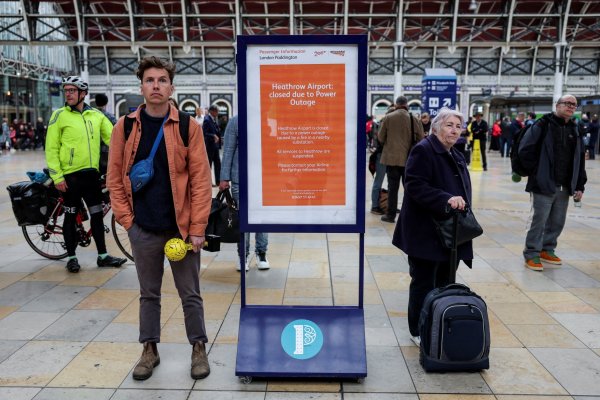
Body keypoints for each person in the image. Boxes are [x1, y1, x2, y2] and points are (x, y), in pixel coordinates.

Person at [107, 56, 212, 381]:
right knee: (148, 293)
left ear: (171, 87)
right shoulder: (124, 127)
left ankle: (198, 348)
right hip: (143, 228)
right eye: (150, 80)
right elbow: (113, 177)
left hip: (180, 229)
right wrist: (128, 222)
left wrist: (197, 228)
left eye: (162, 80)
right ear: (141, 87)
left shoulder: (187, 127)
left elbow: (200, 179)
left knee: (189, 293)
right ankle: (149, 349)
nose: (156, 86)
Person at [392, 107, 474, 346]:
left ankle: (436, 323)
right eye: (449, 125)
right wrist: (445, 199)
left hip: (448, 232)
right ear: (436, 127)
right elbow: (414, 185)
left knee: (444, 281)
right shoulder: (424, 150)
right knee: (424, 282)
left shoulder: (454, 153)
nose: (455, 130)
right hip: (426, 231)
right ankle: (417, 329)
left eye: (458, 126)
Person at [45, 76, 126, 273]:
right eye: (66, 91)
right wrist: (57, 177)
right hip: (70, 178)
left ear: (83, 94)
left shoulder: (96, 116)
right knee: (70, 218)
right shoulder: (59, 116)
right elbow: (51, 148)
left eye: (72, 91)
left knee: (97, 216)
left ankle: (103, 256)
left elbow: (114, 140)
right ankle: (71, 258)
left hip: (91, 177)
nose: (68, 94)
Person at [519, 94, 587, 271]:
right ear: (557, 105)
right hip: (543, 183)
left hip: (565, 185)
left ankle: (547, 249)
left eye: (574, 105)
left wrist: (580, 185)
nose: (571, 107)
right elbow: (525, 150)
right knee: (539, 220)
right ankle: (532, 252)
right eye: (567, 103)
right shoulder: (543, 125)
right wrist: (536, 172)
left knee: (557, 221)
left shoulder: (575, 128)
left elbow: (580, 159)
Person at [219, 116, 270, 271]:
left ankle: (261, 253)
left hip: (263, 178)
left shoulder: (266, 120)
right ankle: (243, 255)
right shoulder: (235, 121)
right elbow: (228, 150)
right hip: (240, 178)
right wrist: (224, 177)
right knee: (242, 218)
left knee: (262, 218)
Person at [378, 96, 425, 223]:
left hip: (392, 160)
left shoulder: (388, 117)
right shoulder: (414, 119)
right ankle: (410, 215)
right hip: (409, 160)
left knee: (392, 188)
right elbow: (421, 139)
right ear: (406, 105)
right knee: (409, 188)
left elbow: (381, 138)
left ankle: (390, 215)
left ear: (396, 104)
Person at [203, 104, 222, 186]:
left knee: (218, 164)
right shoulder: (207, 119)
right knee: (209, 164)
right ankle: (208, 182)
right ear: (212, 111)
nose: (218, 113)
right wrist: (213, 135)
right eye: (216, 111)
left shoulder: (214, 119)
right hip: (210, 146)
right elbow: (204, 133)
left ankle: (218, 181)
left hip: (216, 146)